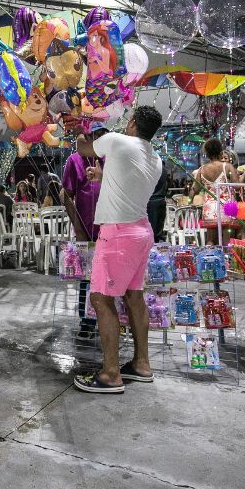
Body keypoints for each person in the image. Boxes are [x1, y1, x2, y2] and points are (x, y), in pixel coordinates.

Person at [69, 105, 164, 394]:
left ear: (133, 122)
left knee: (100, 298)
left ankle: (110, 373)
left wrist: (79, 124)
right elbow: (127, 182)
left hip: (118, 234)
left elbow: (83, 146)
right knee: (134, 297)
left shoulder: (118, 141)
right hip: (141, 231)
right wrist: (103, 177)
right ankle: (141, 365)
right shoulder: (155, 158)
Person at [62, 124, 105, 338]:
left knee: (112, 276)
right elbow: (66, 194)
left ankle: (113, 319)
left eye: (100, 134)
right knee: (88, 276)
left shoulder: (112, 156)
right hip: (87, 229)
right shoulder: (75, 160)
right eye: (91, 135)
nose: (95, 139)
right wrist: (77, 226)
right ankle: (87, 321)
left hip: (113, 228)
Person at [190, 138, 243, 242]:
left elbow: (195, 189)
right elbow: (237, 186)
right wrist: (242, 177)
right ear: (220, 151)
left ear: (207, 153)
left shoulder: (202, 170)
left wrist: (190, 199)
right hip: (228, 207)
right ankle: (227, 257)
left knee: (210, 240)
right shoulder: (227, 166)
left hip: (210, 208)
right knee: (228, 240)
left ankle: (211, 257)